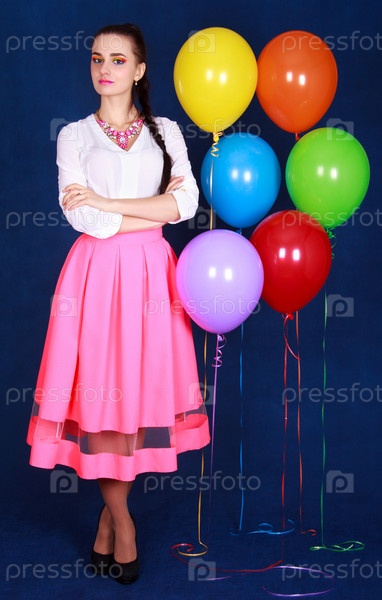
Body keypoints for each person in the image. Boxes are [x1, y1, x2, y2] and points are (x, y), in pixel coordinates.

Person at [26, 22, 210, 585]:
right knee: (105, 396)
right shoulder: (74, 136)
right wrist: (141, 209)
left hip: (154, 276)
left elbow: (185, 203)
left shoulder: (166, 132)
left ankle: (107, 524)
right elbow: (82, 217)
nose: (105, 68)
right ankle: (123, 524)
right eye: (97, 58)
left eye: (118, 59)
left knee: (138, 396)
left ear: (139, 70)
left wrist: (109, 204)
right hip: (97, 277)